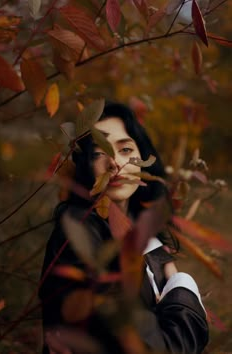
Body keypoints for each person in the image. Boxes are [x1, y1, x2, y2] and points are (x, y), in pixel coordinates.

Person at [39, 101, 209, 354]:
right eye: (98, 153)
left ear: (143, 159)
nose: (115, 163)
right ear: (85, 165)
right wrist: (183, 288)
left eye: (126, 149)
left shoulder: (143, 236)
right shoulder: (80, 232)